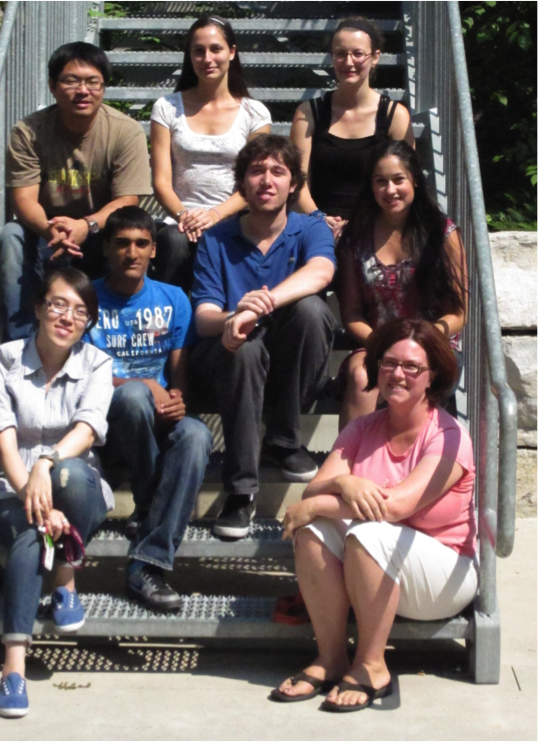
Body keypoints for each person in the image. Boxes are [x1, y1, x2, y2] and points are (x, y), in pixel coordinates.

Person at [272, 318, 478, 712]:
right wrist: (344, 484)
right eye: (389, 363)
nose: (397, 374)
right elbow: (315, 487)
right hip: (381, 568)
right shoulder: (364, 427)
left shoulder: (449, 438)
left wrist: (317, 503)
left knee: (365, 533)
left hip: (444, 576)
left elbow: (393, 507)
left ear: (432, 377)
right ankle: (331, 658)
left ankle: (371, 666)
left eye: (412, 367)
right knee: (314, 531)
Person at [0, 268, 114, 718]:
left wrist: (45, 463)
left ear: (88, 322)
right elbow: (3, 439)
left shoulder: (97, 363)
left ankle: (65, 574)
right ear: (38, 308)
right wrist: (32, 497)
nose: (67, 317)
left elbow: (88, 429)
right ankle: (14, 666)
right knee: (32, 535)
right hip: (7, 491)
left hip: (76, 488)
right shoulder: (3, 361)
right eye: (57, 305)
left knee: (69, 473)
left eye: (80, 311)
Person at [191, 134, 336, 540]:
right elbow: (203, 317)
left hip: (288, 356)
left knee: (312, 311)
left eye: (278, 171)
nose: (267, 180)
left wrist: (257, 307)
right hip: (230, 356)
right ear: (242, 183)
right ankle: (241, 492)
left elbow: (321, 273)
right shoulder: (216, 238)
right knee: (244, 349)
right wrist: (233, 319)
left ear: (294, 184)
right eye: (256, 171)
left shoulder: (311, 228)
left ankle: (284, 440)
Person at [86, 206, 212, 610]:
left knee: (197, 435)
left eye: (142, 243)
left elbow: (179, 371)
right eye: (122, 243)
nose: (132, 252)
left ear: (154, 250)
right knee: (133, 396)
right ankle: (148, 500)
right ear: (106, 248)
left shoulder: (173, 298)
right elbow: (83, 375)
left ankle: (147, 564)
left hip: (155, 418)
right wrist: (140, 384)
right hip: (106, 424)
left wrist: (177, 398)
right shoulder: (87, 298)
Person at [0, 41, 152, 340]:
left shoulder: (125, 131)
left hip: (101, 233)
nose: (83, 90)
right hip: (47, 233)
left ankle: (114, 336)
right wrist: (51, 230)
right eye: (71, 81)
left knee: (131, 237)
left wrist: (86, 225)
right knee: (12, 236)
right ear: (52, 86)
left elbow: (127, 200)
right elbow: (23, 200)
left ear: (103, 87)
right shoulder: (29, 132)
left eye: (93, 82)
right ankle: (22, 343)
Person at [337, 140, 467, 430]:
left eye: (398, 180)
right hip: (376, 344)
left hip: (434, 344)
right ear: (371, 187)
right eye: (381, 182)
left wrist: (423, 340)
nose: (390, 190)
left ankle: (409, 453)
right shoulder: (355, 238)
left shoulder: (443, 234)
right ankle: (349, 457)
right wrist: (384, 346)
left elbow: (458, 312)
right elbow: (352, 314)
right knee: (361, 376)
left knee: (418, 374)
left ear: (415, 181)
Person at [150, 14, 271, 291]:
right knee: (174, 240)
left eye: (216, 49)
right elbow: (160, 182)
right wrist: (185, 217)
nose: (207, 58)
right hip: (179, 220)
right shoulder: (167, 107)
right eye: (198, 51)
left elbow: (254, 182)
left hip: (235, 219)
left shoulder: (255, 113)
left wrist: (216, 215)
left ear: (232, 52)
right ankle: (172, 315)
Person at [290, 16, 414, 239]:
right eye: (340, 54)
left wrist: (360, 224)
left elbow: (405, 184)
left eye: (358, 54)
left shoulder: (395, 116)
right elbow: (297, 182)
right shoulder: (308, 114)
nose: (348, 63)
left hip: (377, 230)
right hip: (318, 228)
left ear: (375, 57)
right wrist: (320, 219)